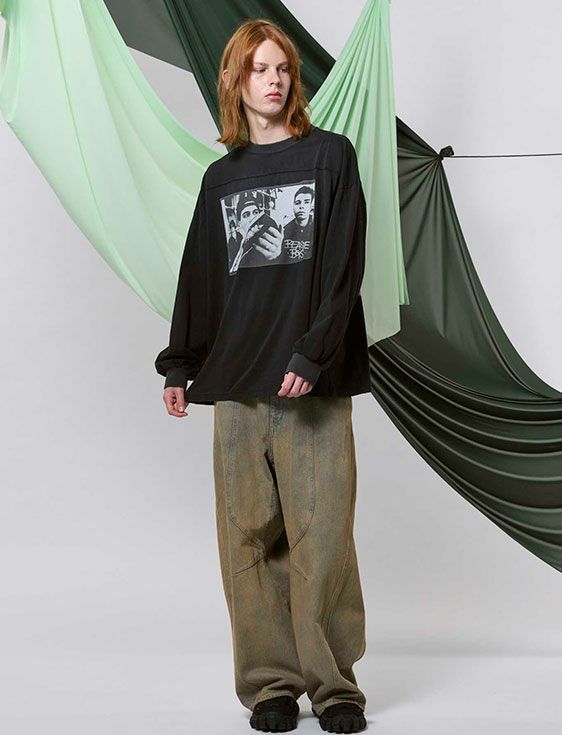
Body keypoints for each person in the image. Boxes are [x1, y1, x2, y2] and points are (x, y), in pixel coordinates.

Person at [154, 18, 371, 734]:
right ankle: (270, 684)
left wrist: (311, 354)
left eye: (282, 69)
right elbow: (201, 280)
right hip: (237, 383)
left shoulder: (330, 157)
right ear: (235, 81)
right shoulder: (222, 178)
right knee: (247, 540)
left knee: (323, 537)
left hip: (310, 381)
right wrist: (180, 362)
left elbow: (343, 267)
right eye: (259, 69)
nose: (273, 81)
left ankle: (334, 686)